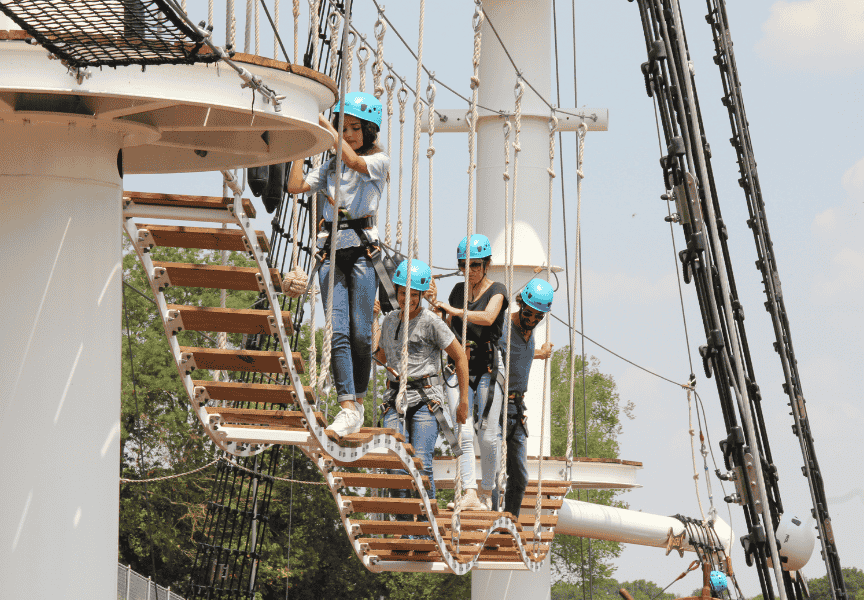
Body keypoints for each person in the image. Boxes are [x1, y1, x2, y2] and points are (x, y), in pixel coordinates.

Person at [286, 92, 389, 437]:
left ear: (370, 132)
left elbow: (357, 165)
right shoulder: (330, 166)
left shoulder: (377, 161)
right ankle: (347, 405)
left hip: (362, 252)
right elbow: (294, 186)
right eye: (343, 129)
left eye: (355, 129)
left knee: (362, 334)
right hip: (329, 251)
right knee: (338, 331)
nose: (347, 136)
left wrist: (328, 129)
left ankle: (357, 400)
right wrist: (303, 145)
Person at [375, 260, 470, 521]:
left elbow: (460, 357)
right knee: (397, 467)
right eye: (404, 293)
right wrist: (373, 321)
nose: (408, 299)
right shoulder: (389, 321)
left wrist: (463, 401)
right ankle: (408, 529)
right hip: (396, 399)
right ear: (397, 291)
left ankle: (428, 528)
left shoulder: (431, 322)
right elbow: (382, 356)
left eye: (414, 295)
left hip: (426, 399)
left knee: (422, 463)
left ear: (421, 295)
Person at [429, 234, 507, 511]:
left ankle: (487, 490)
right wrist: (436, 307)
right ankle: (470, 491)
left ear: (486, 264)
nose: (470, 270)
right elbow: (446, 327)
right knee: (462, 431)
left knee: (487, 434)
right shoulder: (458, 291)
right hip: (459, 366)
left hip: (487, 367)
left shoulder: (498, 289)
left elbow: (488, 317)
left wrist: (454, 310)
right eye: (465, 265)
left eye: (475, 264)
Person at [498, 278, 554, 517]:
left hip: (517, 408)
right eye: (529, 314)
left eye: (538, 317)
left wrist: (540, 353)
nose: (532, 321)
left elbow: (521, 354)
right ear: (521, 305)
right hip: (495, 404)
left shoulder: (530, 332)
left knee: (520, 475)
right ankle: (492, 515)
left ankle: (509, 521)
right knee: (493, 472)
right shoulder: (501, 328)